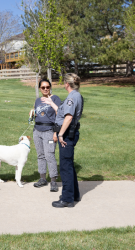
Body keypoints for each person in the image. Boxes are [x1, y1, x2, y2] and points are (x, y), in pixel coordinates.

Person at [51, 73, 83, 208]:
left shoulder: (72, 97)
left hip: (67, 136)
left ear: (67, 84)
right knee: (69, 165)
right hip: (69, 134)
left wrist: (60, 135)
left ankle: (67, 199)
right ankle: (73, 194)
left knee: (65, 167)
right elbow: (63, 112)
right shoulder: (76, 95)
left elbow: (68, 117)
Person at [32, 79, 61, 192]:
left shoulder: (55, 98)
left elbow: (59, 114)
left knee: (50, 155)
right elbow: (38, 114)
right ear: (40, 88)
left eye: (47, 87)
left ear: (50, 87)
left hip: (49, 130)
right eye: (43, 87)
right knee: (40, 155)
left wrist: (56, 132)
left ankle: (53, 181)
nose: (45, 89)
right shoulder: (38, 100)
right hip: (37, 130)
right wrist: (32, 112)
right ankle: (42, 178)